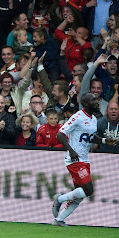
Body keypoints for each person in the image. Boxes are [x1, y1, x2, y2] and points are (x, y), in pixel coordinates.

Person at [52, 93, 116, 226]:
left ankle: (59, 220)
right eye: (93, 100)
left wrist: (104, 140)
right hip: (75, 160)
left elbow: (91, 137)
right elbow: (60, 134)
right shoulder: (77, 117)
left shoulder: (93, 119)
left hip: (85, 159)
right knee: (88, 190)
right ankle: (59, 199)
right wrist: (71, 151)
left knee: (79, 195)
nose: (96, 102)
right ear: (86, 104)